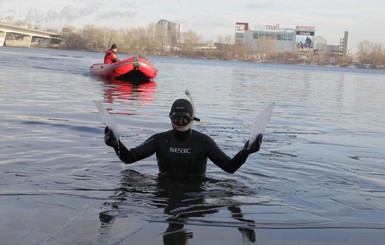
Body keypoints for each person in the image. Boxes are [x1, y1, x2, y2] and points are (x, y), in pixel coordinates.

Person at [104, 98, 263, 179]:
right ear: (170, 118)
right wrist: (115, 144)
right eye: (176, 119)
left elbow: (229, 167)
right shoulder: (160, 140)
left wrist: (246, 151)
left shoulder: (203, 142)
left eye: (184, 119)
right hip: (164, 192)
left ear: (193, 120)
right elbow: (129, 158)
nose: (179, 123)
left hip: (194, 195)